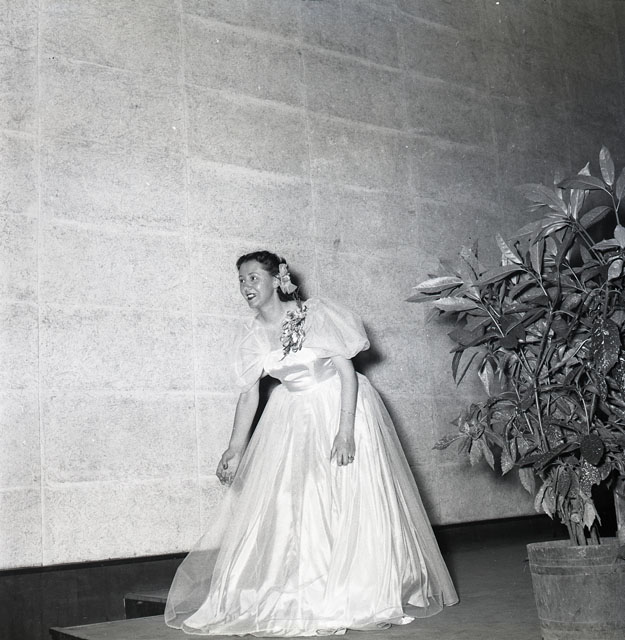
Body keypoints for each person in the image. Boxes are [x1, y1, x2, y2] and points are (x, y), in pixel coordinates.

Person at [165, 250, 458, 636]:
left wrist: (345, 430)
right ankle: (308, 582)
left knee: (348, 494)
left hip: (339, 407)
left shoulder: (314, 314)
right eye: (241, 280)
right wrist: (235, 448)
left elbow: (347, 373)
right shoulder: (252, 334)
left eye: (253, 277)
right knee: (298, 500)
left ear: (276, 280)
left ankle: (360, 586)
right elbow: (249, 394)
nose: (246, 286)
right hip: (292, 415)